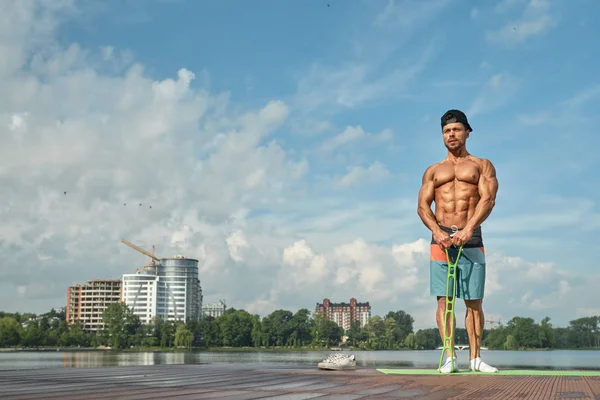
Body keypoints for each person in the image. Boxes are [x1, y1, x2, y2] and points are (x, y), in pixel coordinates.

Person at [417, 109, 499, 374]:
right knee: (444, 301)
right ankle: (450, 357)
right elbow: (422, 206)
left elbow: (488, 200)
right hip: (440, 239)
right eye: (446, 131)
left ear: (467, 132)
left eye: (455, 130)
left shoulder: (481, 165)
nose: (451, 134)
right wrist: (438, 232)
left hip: (471, 237)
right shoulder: (433, 171)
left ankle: (475, 359)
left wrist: (469, 228)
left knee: (474, 301)